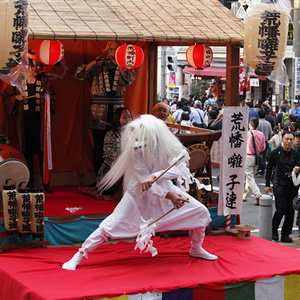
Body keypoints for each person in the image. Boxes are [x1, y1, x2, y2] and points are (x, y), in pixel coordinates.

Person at [62, 115, 217, 270]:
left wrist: (156, 176)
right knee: (108, 227)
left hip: (166, 187)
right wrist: (169, 195)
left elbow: (177, 169)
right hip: (138, 196)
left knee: (201, 212)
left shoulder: (166, 147)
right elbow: (144, 183)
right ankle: (80, 254)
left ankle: (196, 248)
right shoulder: (137, 152)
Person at [75, 41, 135, 177]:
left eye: (116, 50)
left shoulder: (125, 67)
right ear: (105, 50)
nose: (112, 52)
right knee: (99, 146)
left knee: (118, 145)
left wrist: (119, 64)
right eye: (111, 50)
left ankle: (115, 179)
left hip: (117, 111)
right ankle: (98, 178)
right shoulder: (98, 65)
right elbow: (79, 75)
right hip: (98, 112)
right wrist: (94, 62)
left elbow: (129, 81)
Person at [2, 50, 57, 192]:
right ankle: (30, 182)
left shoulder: (44, 81)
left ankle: (46, 183)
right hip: (24, 122)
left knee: (42, 152)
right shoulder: (18, 80)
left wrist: (48, 96)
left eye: (40, 66)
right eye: (35, 65)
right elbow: (6, 97)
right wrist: (16, 98)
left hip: (40, 123)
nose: (38, 68)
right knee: (27, 152)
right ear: (28, 65)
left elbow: (54, 97)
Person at [265, 131, 300, 243]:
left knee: (290, 211)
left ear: (293, 141)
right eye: (287, 139)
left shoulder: (296, 154)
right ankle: (274, 229)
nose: (289, 142)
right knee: (281, 209)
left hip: (292, 186)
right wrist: (267, 185)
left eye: (291, 139)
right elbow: (269, 168)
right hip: (278, 184)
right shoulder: (276, 153)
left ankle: (285, 234)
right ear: (282, 140)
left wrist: (297, 170)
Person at [96, 107, 132, 197]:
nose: (128, 120)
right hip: (112, 171)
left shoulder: (134, 133)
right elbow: (109, 156)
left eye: (129, 117)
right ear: (117, 118)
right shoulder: (111, 134)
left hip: (129, 169)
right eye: (124, 117)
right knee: (113, 188)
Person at [243, 118, 266, 205]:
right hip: (258, 157)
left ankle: (257, 194)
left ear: (250, 124)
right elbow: (263, 147)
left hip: (248, 156)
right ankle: (244, 195)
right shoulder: (261, 134)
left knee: (250, 177)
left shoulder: (247, 134)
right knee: (251, 177)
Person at [256, 109, 272, 176]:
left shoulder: (257, 123)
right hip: (266, 141)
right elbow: (271, 133)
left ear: (258, 115)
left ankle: (259, 168)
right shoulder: (268, 123)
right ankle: (263, 169)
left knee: (258, 155)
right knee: (264, 156)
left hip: (259, 142)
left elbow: (256, 133)